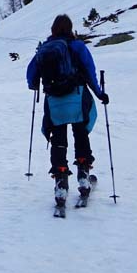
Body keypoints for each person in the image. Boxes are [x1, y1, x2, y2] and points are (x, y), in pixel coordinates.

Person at [26, 14, 109, 209]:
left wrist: (35, 86)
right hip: (77, 96)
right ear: (70, 28)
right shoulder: (76, 46)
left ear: (53, 29)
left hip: (55, 101)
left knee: (58, 140)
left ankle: (61, 183)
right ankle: (83, 176)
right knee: (81, 135)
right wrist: (99, 93)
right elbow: (89, 71)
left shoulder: (44, 49)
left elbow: (31, 75)